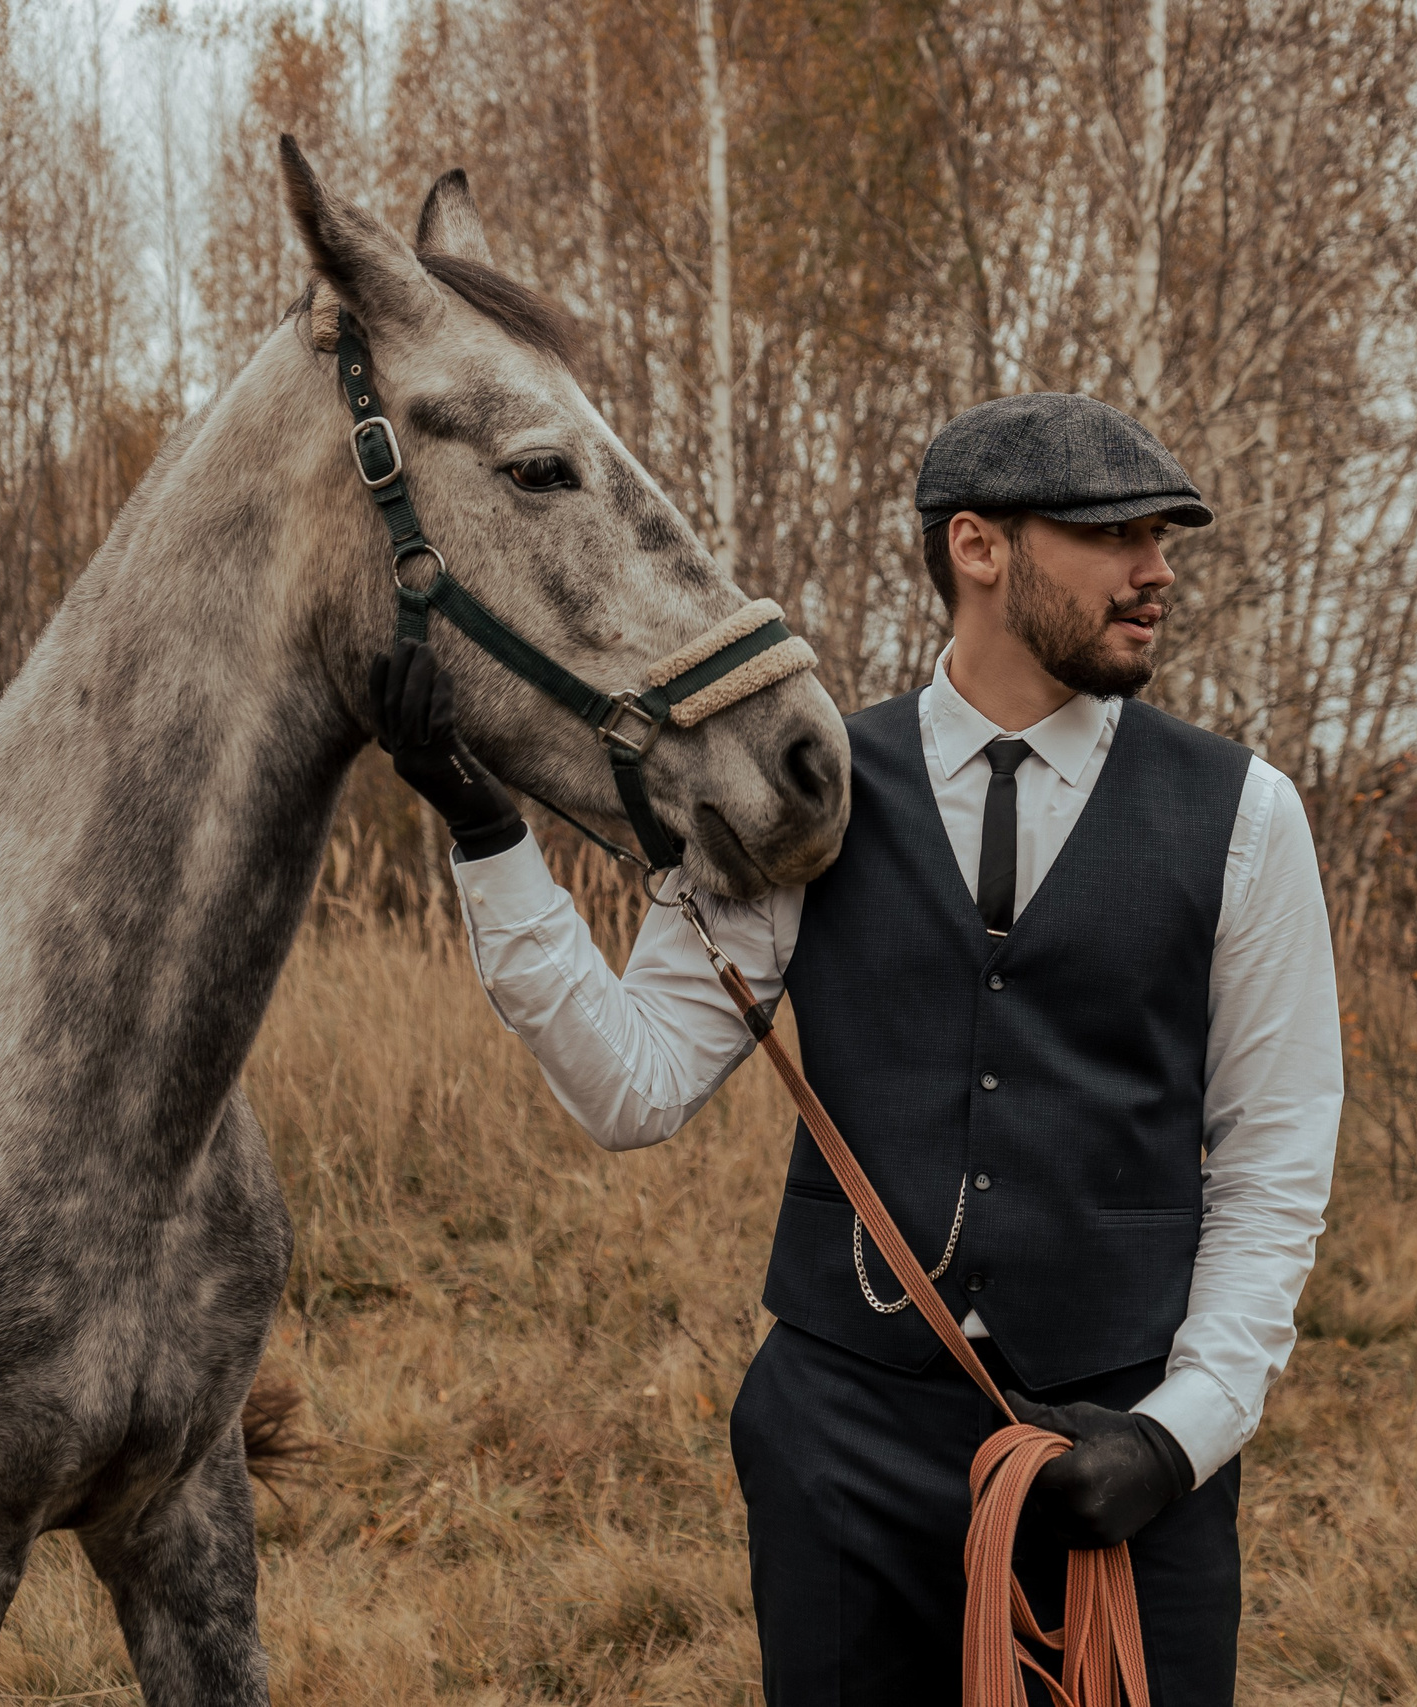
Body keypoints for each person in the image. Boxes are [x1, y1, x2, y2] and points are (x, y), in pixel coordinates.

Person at [370, 392, 1342, 1705]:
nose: (1156, 570)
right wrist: (487, 834)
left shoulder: (1245, 816)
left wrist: (1176, 1442)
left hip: (1119, 1442)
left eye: (1163, 536)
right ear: (978, 549)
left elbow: (1274, 1170)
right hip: (842, 1448)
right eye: (1114, 535)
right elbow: (632, 1084)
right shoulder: (805, 785)